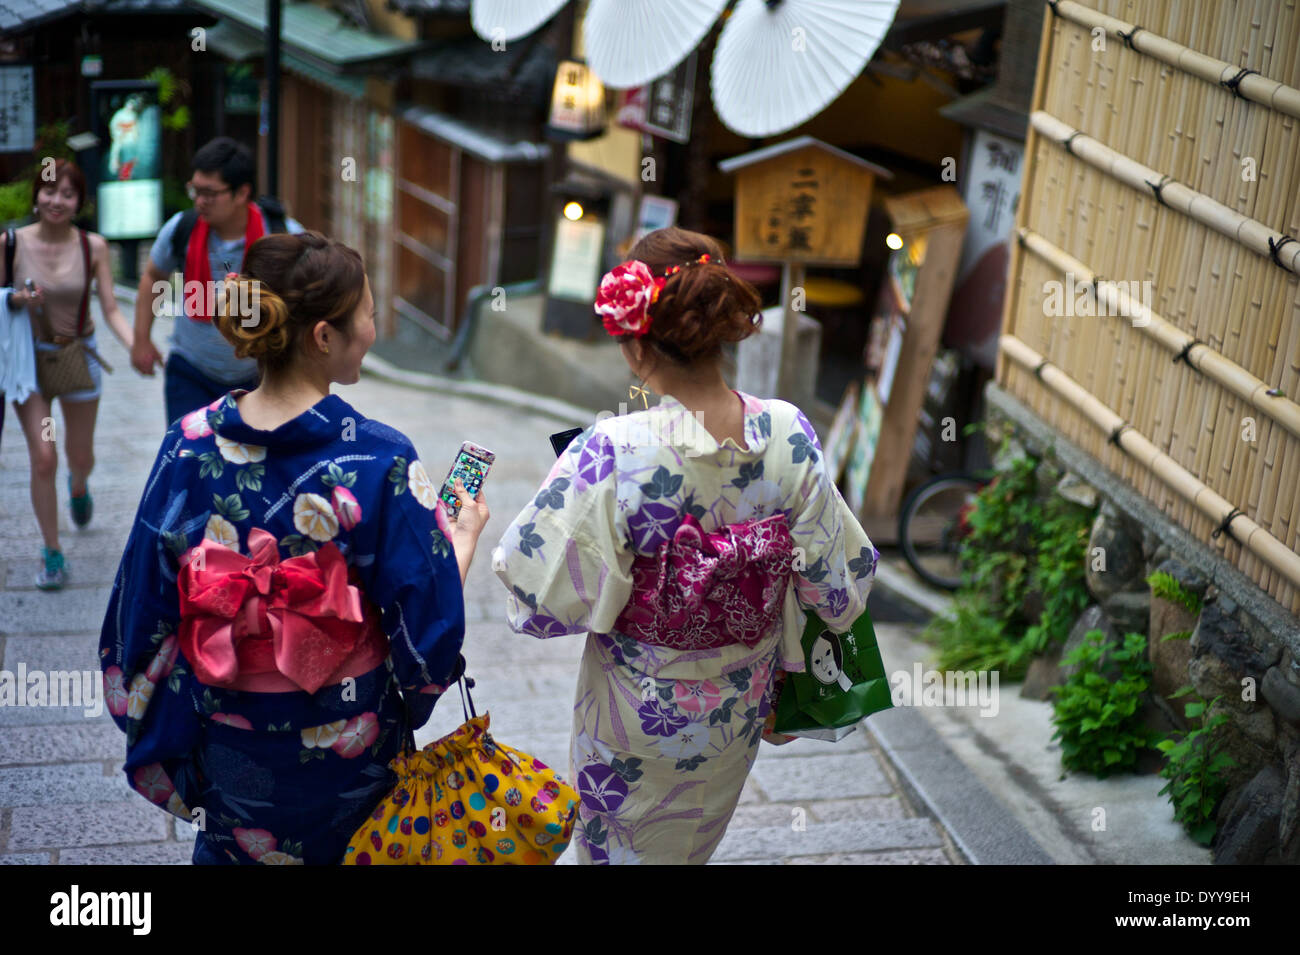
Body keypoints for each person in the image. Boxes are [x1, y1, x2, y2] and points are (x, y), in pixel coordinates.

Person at [492, 227, 880, 864]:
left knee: (614, 852)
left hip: (631, 716)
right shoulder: (787, 432)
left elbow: (538, 594)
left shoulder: (613, 450)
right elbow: (841, 587)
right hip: (738, 711)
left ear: (635, 340)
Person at [100, 231, 490, 865]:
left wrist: (168, 730)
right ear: (324, 336)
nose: (374, 324)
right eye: (366, 311)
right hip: (350, 745)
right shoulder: (381, 457)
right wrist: (462, 540)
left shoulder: (187, 445)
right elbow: (427, 628)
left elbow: (139, 615)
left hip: (228, 740)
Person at [1, 159, 134, 589]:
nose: (56, 200)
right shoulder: (9, 243)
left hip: (78, 359)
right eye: (49, 191)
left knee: (80, 456)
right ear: (36, 196)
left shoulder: (91, 246)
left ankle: (79, 487)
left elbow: (111, 306)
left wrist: (138, 346)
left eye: (68, 193)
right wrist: (19, 299)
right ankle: (52, 552)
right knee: (44, 455)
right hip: (30, 365)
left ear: (80, 201)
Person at [131, 137, 301, 428]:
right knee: (189, 462)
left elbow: (309, 294)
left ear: (241, 192)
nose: (199, 201)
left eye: (210, 193)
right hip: (190, 372)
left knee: (250, 466)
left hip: (260, 377)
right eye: (195, 191)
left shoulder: (283, 237)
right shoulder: (181, 228)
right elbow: (153, 277)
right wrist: (141, 340)